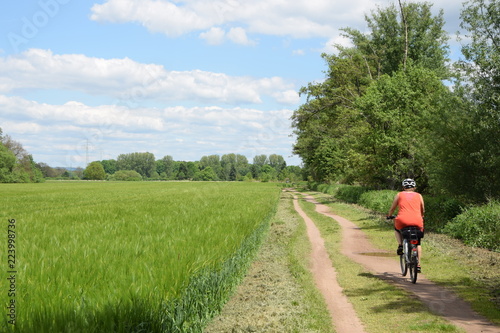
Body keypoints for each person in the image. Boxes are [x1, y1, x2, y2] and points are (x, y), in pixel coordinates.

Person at [387, 178, 425, 271]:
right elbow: (422, 209)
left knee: (396, 228)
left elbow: (392, 208)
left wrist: (389, 216)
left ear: (403, 187)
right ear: (414, 187)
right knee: (418, 243)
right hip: (417, 221)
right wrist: (422, 216)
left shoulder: (399, 195)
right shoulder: (419, 196)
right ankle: (418, 264)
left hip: (402, 220)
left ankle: (400, 245)